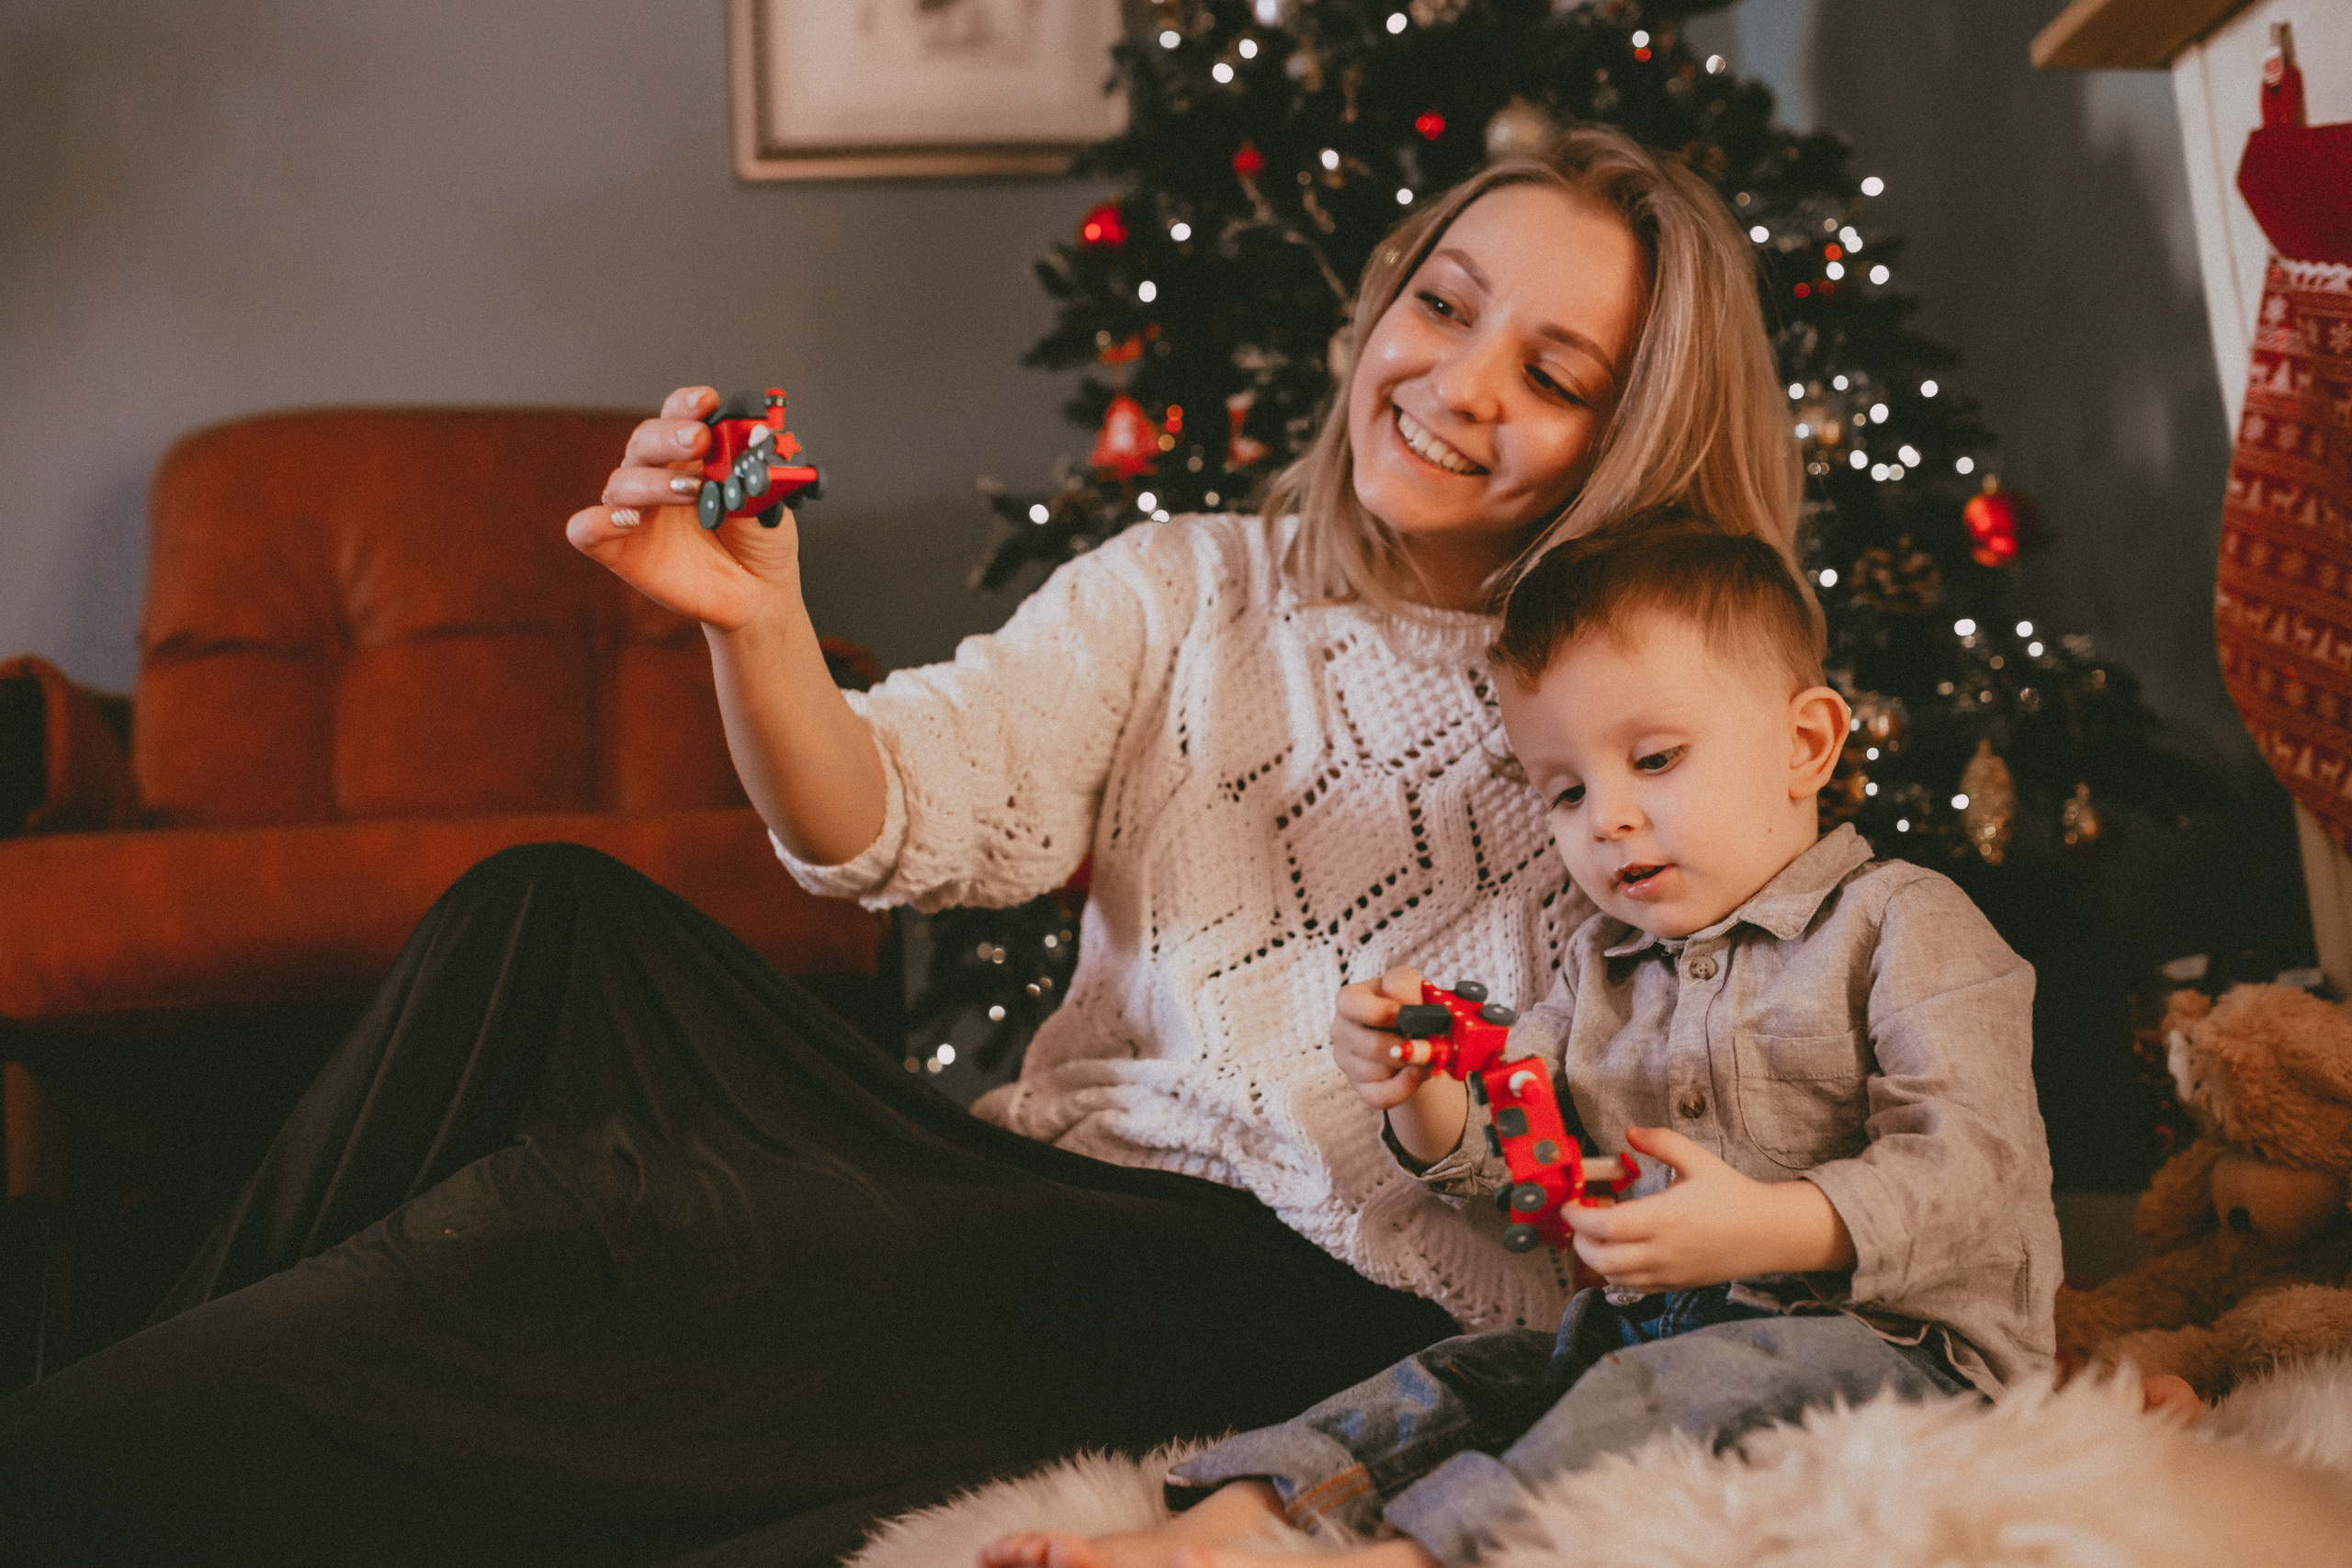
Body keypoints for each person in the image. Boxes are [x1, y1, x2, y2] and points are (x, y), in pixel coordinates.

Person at [0, 129, 1796, 1568]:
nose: (1459, 381)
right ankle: (94, 1463)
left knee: (592, 1225)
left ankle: (59, 1467)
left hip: (1312, 1298)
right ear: (1379, 306)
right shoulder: (1184, 586)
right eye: (1442, 304)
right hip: (1066, 1194)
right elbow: (900, 813)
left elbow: (1715, 1116)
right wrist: (750, 619)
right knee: (534, 916)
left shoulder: (1644, 713)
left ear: (1621, 440)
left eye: (1551, 370)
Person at [978, 515, 2064, 1568]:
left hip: (1907, 1354)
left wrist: (1773, 1227)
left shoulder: (1903, 920)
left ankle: (1415, 1557)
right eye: (1565, 789)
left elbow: (1977, 1162)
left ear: (1804, 743)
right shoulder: (1601, 970)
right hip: (1656, 1335)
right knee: (1454, 1379)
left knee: (1666, 1393)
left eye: (1655, 758)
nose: (1609, 818)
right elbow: (1511, 1149)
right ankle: (1213, 1532)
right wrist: (1419, 1092)